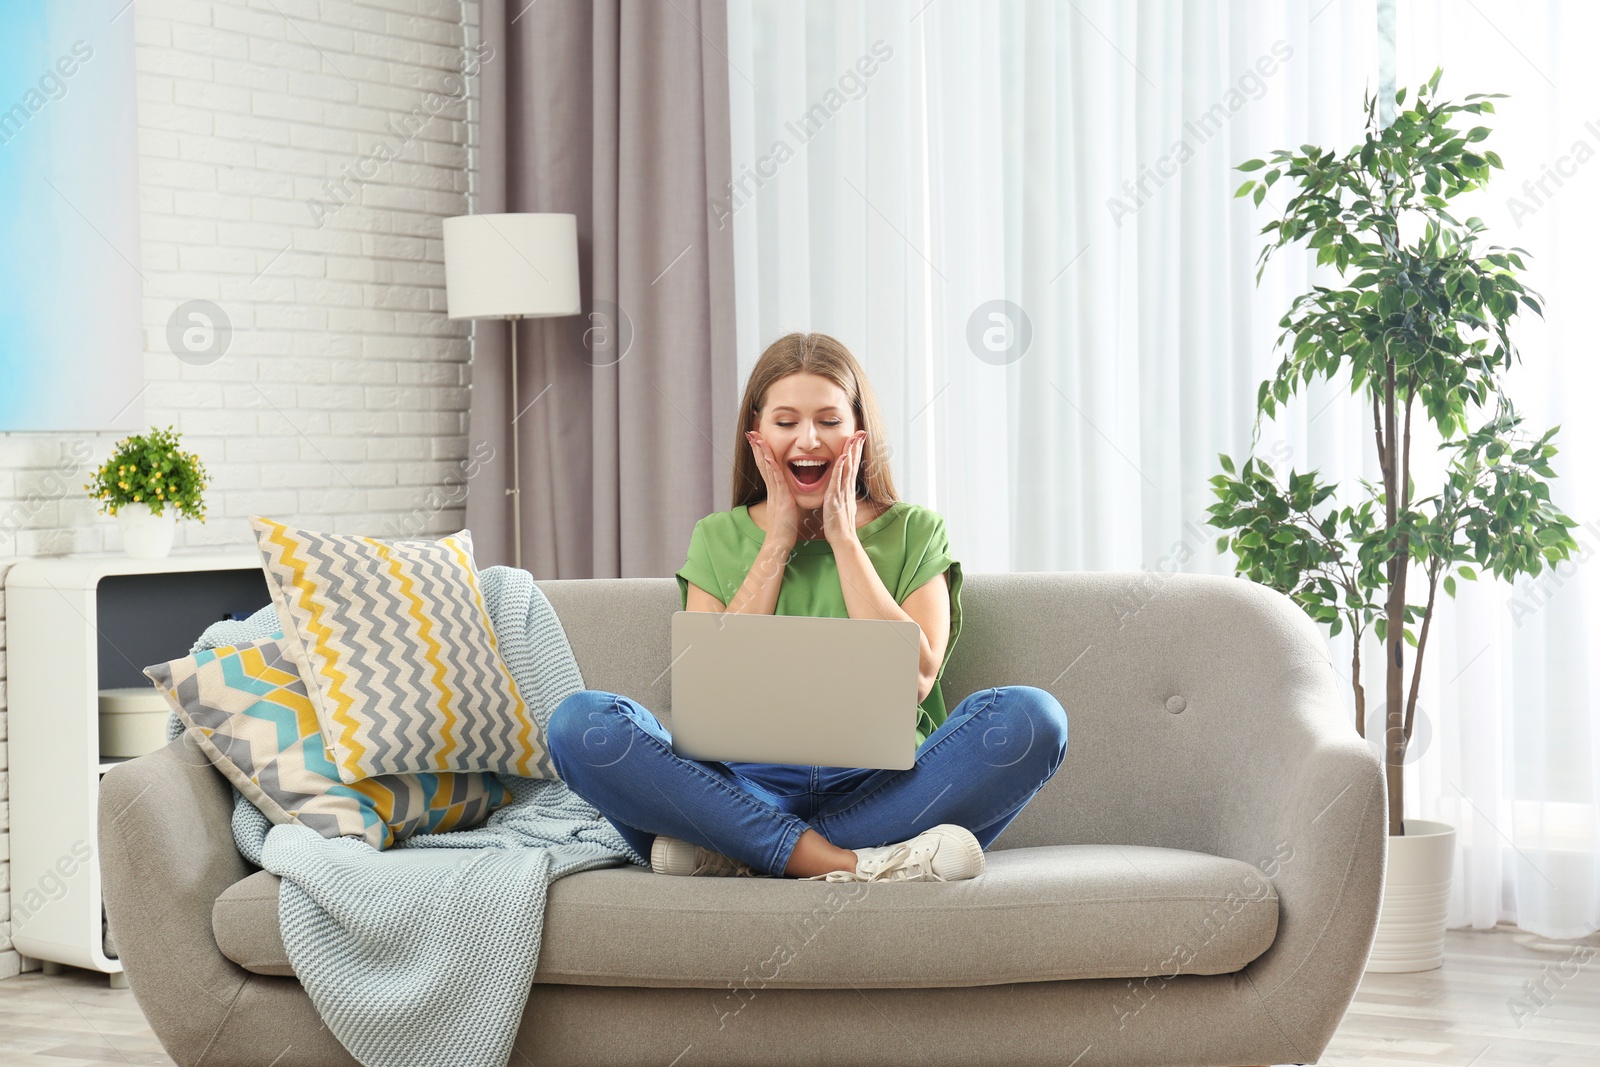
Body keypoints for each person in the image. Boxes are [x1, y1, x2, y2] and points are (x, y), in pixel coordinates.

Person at [546, 332, 1069, 882]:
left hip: (886, 789)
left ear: (858, 435)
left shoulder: (916, 531)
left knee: (1033, 718)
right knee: (580, 724)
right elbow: (716, 687)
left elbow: (913, 678)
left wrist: (844, 539)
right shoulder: (716, 538)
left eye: (829, 420)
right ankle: (850, 862)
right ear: (757, 437)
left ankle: (741, 849)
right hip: (741, 786)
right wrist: (778, 540)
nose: (809, 440)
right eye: (787, 421)